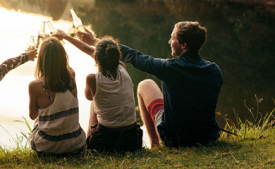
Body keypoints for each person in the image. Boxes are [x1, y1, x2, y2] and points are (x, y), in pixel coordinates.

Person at [77, 21, 223, 148]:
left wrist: (95, 41)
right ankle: (155, 143)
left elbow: (134, 56)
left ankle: (155, 144)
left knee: (144, 85)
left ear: (183, 45)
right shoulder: (214, 70)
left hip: (176, 139)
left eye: (172, 38)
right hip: (208, 136)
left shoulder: (169, 68)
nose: (169, 41)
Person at [53, 30, 142, 153]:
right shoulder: (122, 67)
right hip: (132, 141)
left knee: (94, 101)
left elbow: (88, 97)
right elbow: (91, 50)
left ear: (95, 59)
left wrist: (66, 37)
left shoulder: (92, 79)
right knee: (100, 97)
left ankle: (87, 144)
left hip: (105, 143)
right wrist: (68, 37)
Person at [28, 37, 86, 156]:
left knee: (38, 121)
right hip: (75, 143)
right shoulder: (71, 75)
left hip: (47, 145)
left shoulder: (35, 85)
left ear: (41, 60)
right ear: (62, 57)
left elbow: (33, 115)